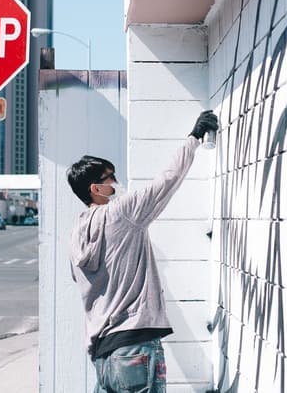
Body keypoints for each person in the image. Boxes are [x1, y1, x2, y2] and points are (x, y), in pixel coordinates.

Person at [67, 110, 219, 393]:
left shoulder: (75, 234)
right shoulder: (121, 213)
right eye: (110, 177)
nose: (115, 181)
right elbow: (166, 181)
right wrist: (195, 137)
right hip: (134, 345)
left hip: (103, 355)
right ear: (95, 188)